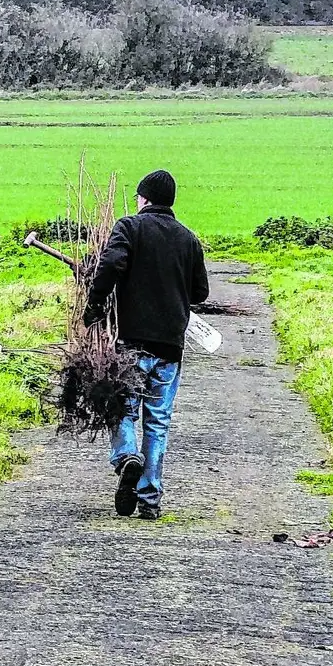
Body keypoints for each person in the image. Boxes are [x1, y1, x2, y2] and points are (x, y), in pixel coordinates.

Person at [82, 170, 210, 520]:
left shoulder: (130, 227)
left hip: (131, 343)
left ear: (145, 198)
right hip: (170, 346)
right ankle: (150, 499)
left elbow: (110, 264)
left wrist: (94, 304)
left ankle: (126, 457)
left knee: (121, 407)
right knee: (158, 422)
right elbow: (201, 293)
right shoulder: (188, 239)